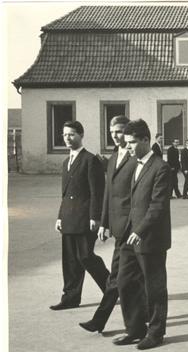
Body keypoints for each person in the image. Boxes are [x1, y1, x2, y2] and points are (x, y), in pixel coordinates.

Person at [114, 119, 171, 350]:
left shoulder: (161, 168)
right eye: (126, 143)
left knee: (154, 287)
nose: (127, 147)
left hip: (151, 238)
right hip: (130, 235)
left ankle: (155, 333)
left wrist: (139, 230)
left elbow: (157, 206)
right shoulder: (133, 162)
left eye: (132, 143)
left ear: (146, 140)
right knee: (124, 281)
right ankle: (134, 329)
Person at [79, 115, 136, 332]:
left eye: (120, 131)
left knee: (121, 276)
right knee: (122, 276)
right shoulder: (113, 159)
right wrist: (104, 223)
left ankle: (101, 320)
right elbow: (107, 194)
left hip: (133, 226)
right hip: (119, 227)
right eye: (112, 132)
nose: (116, 136)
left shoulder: (135, 158)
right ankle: (144, 315)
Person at [51, 120, 109, 310]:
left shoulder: (90, 159)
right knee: (69, 260)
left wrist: (95, 217)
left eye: (72, 134)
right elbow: (65, 194)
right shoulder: (66, 162)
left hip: (85, 219)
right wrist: (60, 217)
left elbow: (96, 192)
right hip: (68, 218)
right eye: (65, 134)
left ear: (81, 135)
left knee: (85, 256)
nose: (68, 138)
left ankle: (112, 288)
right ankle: (70, 298)